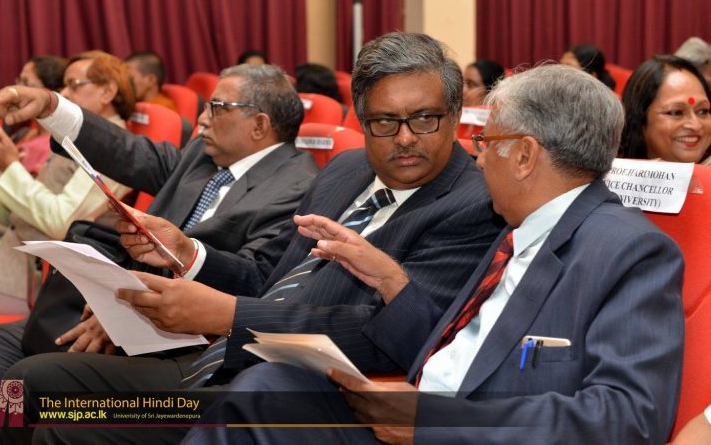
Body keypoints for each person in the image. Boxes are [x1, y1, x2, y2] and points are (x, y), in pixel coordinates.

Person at [3, 32, 502, 444]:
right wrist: (186, 253)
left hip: (290, 393)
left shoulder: (476, 203)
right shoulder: (347, 169)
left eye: (424, 119)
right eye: (385, 121)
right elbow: (268, 275)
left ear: (455, 114)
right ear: (364, 121)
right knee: (12, 393)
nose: (406, 137)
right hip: (219, 358)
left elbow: (394, 335)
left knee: (63, 423)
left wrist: (227, 315)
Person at [190, 64, 685, 444]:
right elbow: (452, 344)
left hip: (461, 431)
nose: (479, 158)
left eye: (487, 142)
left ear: (525, 155)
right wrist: (391, 282)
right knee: (265, 388)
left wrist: (437, 421)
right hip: (407, 409)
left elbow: (628, 418)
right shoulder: (513, 229)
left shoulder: (629, 250)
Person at [0, 63, 319, 445]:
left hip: (180, 335)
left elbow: (255, 281)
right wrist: (51, 107)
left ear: (259, 125)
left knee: (25, 384)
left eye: (218, 107)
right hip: (115, 302)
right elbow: (126, 150)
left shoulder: (297, 187)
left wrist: (170, 269)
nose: (202, 118)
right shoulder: (203, 156)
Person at [0, 50, 133, 314]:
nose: (64, 94)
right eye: (64, 85)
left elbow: (62, 223)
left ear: (107, 92)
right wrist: (2, 170)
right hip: (14, 245)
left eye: (74, 85)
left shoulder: (115, 149)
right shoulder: (77, 137)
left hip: (38, 275)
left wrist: (10, 168)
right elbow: (8, 214)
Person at [0, 55, 67, 214]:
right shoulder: (24, 133)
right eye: (18, 81)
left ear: (50, 94)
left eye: (26, 83)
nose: (16, 90)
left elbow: (18, 207)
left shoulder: (54, 146)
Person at [619, 55, 711, 164]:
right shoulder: (609, 173)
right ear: (639, 119)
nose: (695, 125)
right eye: (676, 112)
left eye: (703, 111)